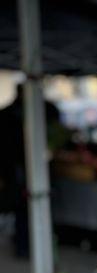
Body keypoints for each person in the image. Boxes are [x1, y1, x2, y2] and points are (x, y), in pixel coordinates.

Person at [0, 84, 64, 257]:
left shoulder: (46, 110)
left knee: (36, 210)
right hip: (19, 172)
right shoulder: (9, 115)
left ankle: (34, 246)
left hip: (34, 172)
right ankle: (26, 246)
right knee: (24, 211)